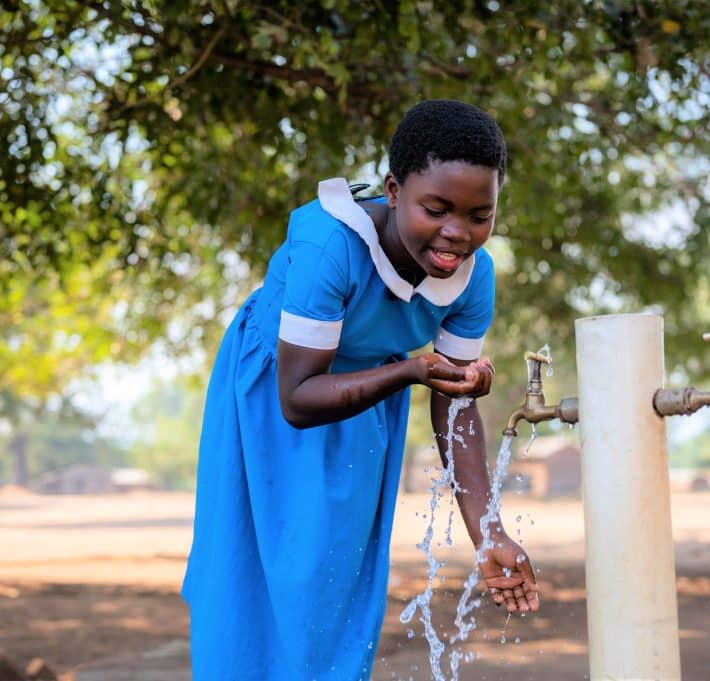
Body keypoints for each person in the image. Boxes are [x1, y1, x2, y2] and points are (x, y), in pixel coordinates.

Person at [182, 99, 540, 680]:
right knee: (249, 579)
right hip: (273, 397)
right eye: (437, 208)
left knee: (334, 589)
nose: (457, 232)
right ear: (395, 189)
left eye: (481, 214)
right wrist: (409, 372)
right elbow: (297, 399)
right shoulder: (331, 247)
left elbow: (454, 404)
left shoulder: (474, 278)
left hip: (363, 408)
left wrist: (488, 532)